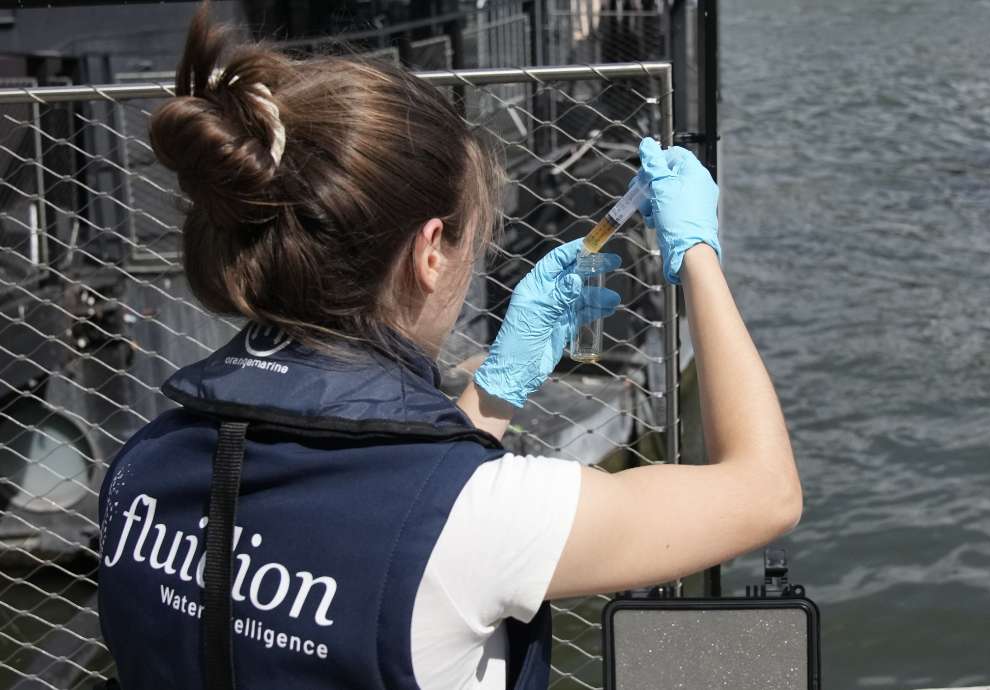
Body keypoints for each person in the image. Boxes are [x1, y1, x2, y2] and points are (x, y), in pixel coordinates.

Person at [96, 7, 801, 690]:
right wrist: (699, 255)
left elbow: (380, 509)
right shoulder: (488, 520)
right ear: (430, 251)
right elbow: (765, 494)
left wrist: (496, 389)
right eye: (472, 239)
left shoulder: (145, 465)